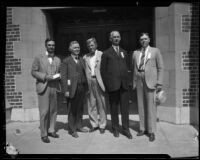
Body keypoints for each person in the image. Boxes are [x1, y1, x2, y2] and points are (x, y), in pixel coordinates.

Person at [132, 32, 164, 142]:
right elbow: (134, 69)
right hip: (139, 80)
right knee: (141, 105)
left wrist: (159, 82)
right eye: (141, 39)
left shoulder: (155, 51)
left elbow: (160, 68)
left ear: (149, 40)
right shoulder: (136, 53)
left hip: (151, 82)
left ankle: (151, 131)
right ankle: (142, 128)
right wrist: (134, 82)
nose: (143, 41)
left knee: (151, 107)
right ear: (139, 41)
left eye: (145, 39)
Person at [101, 31, 132, 139]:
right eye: (114, 37)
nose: (116, 38)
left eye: (118, 37)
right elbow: (103, 71)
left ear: (120, 38)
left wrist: (129, 83)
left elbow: (128, 69)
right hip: (113, 86)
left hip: (124, 86)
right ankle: (115, 128)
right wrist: (107, 85)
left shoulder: (124, 52)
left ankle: (126, 129)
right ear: (110, 39)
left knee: (125, 109)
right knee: (114, 108)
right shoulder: (106, 53)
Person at [31, 38, 61, 143]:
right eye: (49, 45)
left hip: (54, 87)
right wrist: (44, 76)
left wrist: (59, 75)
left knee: (53, 110)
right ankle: (44, 134)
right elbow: (33, 72)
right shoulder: (38, 58)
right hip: (43, 87)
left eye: (53, 45)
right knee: (44, 112)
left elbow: (60, 72)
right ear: (46, 46)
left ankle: (51, 130)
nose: (51, 47)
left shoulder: (58, 59)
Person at [61, 41, 88, 138]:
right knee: (71, 109)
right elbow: (63, 77)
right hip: (71, 88)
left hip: (82, 87)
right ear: (70, 49)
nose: (77, 49)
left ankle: (79, 126)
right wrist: (66, 90)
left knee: (80, 108)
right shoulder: (66, 61)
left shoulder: (81, 59)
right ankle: (72, 129)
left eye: (78, 47)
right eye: (75, 48)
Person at [83, 38, 107, 134]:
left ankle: (102, 125)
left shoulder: (102, 54)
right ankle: (94, 124)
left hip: (99, 81)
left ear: (96, 45)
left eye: (92, 45)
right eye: (89, 46)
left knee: (101, 103)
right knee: (91, 103)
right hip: (89, 81)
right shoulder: (85, 57)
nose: (90, 47)